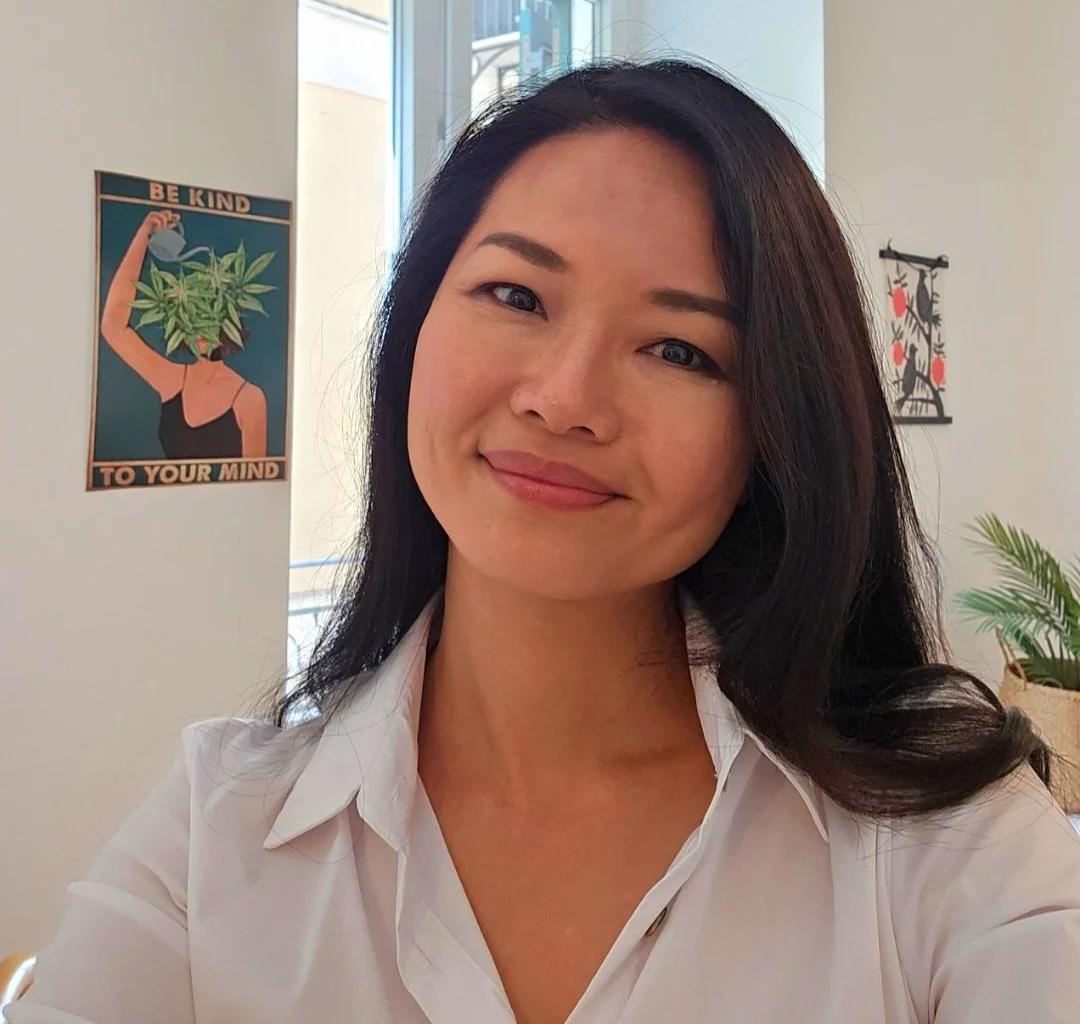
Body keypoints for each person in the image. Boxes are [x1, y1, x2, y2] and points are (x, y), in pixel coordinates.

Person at [14, 61, 1080, 1023]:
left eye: (679, 348)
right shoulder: (220, 830)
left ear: (776, 427)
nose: (566, 401)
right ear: (416, 326)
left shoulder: (945, 835)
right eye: (516, 295)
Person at [100, 209, 268, 460]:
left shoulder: (249, 399)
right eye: (190, 317)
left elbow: (257, 483)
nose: (199, 328)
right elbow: (113, 326)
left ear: (228, 322)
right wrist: (143, 236)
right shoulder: (172, 380)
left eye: (208, 316)